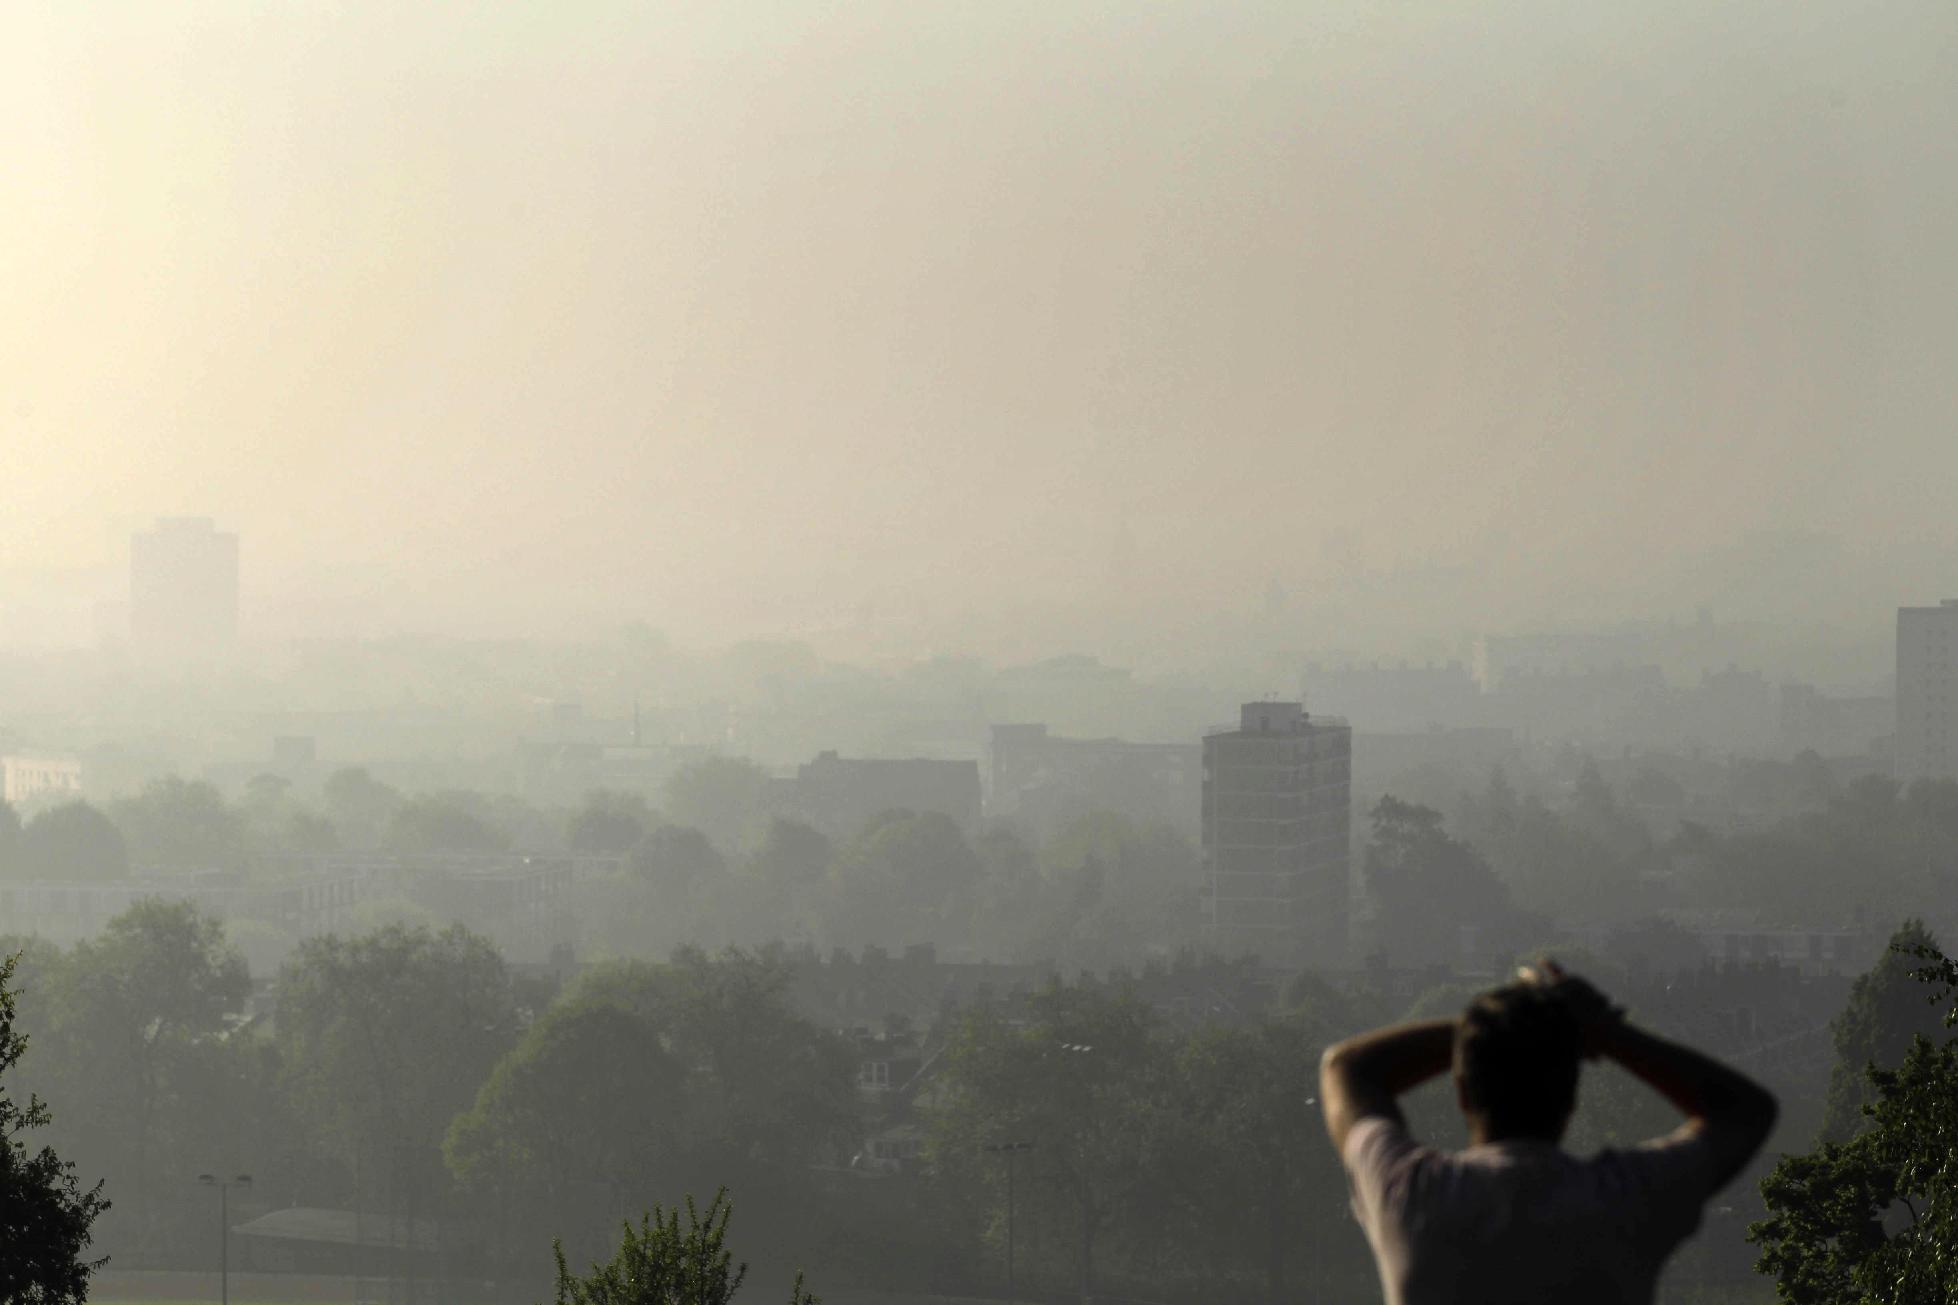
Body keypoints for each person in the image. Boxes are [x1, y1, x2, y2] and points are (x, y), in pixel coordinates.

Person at [1319, 960, 1777, 1305]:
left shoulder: (1412, 1195)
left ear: (1462, 1091)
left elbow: (1347, 1067)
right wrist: (1598, 1031)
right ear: (1571, 1096)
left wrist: (1490, 1027)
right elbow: (1745, 1111)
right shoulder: (1625, 1199)